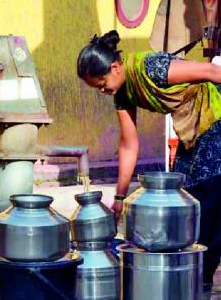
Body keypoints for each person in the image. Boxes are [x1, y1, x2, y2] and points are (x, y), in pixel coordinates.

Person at [77, 30, 221, 291]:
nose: (102, 91)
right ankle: (190, 280)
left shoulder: (152, 68)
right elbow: (129, 144)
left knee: (209, 203)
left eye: (101, 84)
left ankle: (202, 282)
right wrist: (120, 198)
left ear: (116, 67)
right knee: (186, 202)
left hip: (215, 115)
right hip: (192, 131)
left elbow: (212, 73)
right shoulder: (122, 93)